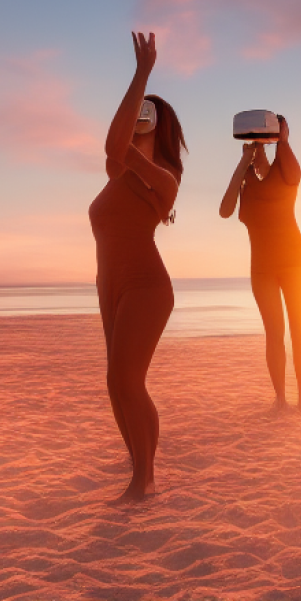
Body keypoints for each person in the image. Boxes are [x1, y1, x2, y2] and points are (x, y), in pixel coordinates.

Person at [88, 32, 185, 502]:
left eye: (150, 110)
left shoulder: (161, 179)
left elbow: (115, 146)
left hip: (147, 285)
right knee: (115, 383)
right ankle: (139, 471)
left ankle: (143, 480)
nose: (140, 114)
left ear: (160, 125)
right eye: (137, 108)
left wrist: (142, 73)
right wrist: (138, 87)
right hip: (110, 283)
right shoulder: (119, 174)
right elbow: (113, 149)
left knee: (129, 380)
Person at [218, 116, 301, 413]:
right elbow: (224, 210)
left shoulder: (285, 176)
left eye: (262, 147)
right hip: (262, 269)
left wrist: (282, 139)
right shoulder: (246, 183)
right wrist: (243, 162)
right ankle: (281, 399)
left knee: (300, 333)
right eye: (254, 147)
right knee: (274, 335)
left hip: (297, 264)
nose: (258, 152)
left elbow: (295, 169)